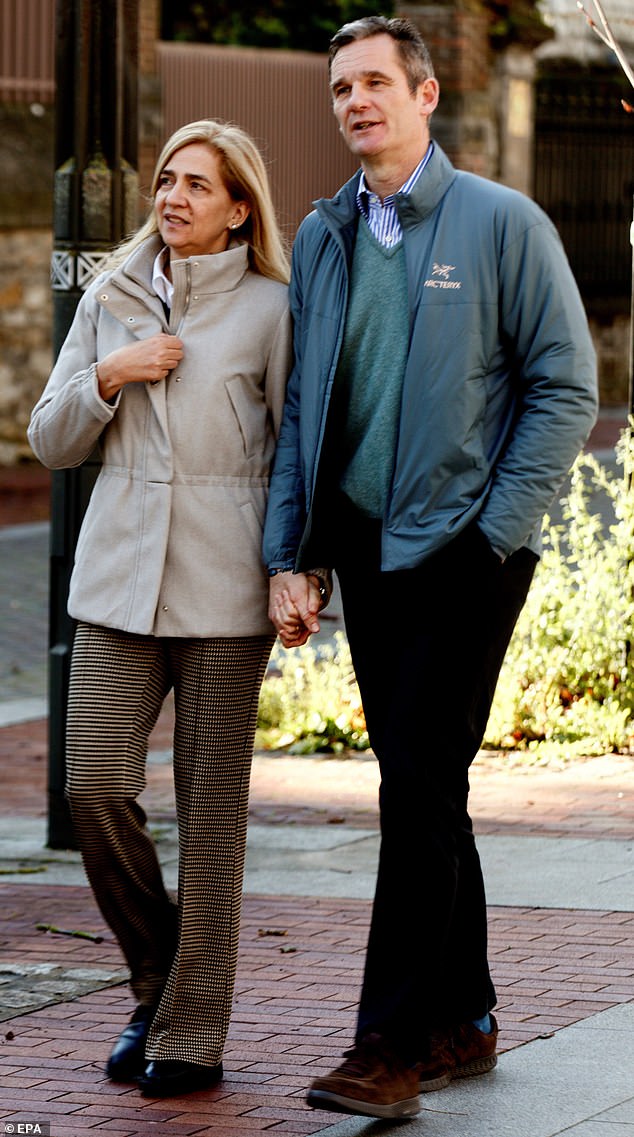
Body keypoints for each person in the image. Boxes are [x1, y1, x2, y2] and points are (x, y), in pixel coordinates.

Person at [262, 15, 598, 1122]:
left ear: (425, 94)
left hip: (464, 547)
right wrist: (297, 553)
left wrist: (493, 529)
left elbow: (564, 385)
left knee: (412, 786)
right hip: (365, 547)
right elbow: (308, 406)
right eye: (339, 87)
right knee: (425, 786)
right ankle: (465, 1018)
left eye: (374, 83)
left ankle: (388, 1047)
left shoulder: (500, 222)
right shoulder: (325, 236)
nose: (355, 101)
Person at [28, 119, 292, 1099]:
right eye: (167, 180)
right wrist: (109, 375)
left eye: (196, 185)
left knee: (210, 823)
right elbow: (49, 438)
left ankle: (188, 1035)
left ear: (237, 209)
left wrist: (299, 570)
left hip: (227, 594)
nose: (171, 196)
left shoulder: (274, 309)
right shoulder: (112, 294)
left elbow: (299, 455)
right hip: (115, 585)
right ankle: (158, 978)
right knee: (91, 788)